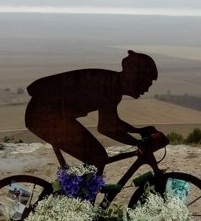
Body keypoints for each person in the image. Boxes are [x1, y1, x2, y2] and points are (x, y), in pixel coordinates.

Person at [24, 50, 158, 173]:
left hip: (46, 112)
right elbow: (107, 128)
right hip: (42, 114)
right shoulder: (110, 86)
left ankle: (79, 193)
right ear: (135, 77)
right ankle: (79, 197)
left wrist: (139, 131)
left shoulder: (112, 84)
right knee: (98, 157)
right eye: (147, 82)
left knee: (96, 158)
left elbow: (113, 123)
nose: (147, 88)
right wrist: (138, 143)